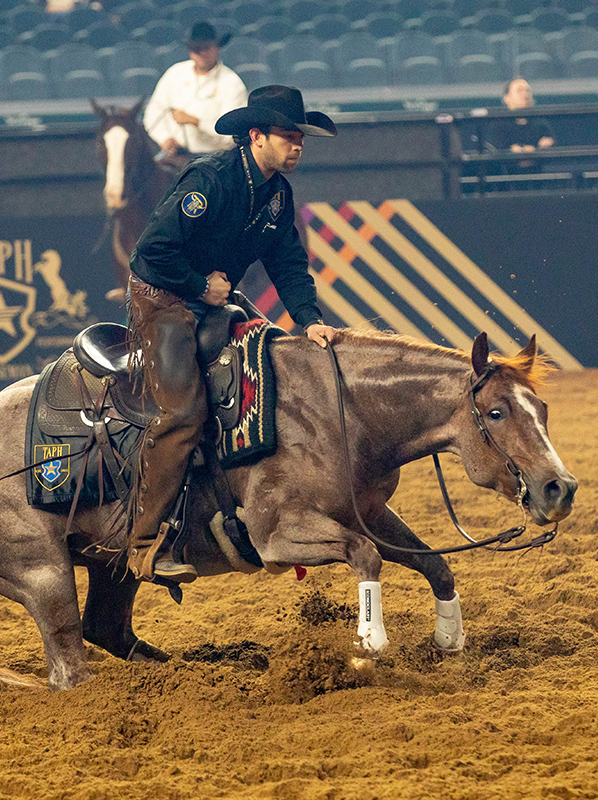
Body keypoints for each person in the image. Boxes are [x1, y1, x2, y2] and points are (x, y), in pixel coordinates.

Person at [124, 85, 338, 582]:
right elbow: (149, 253)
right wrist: (199, 285)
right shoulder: (210, 180)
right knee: (181, 413)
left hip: (212, 300)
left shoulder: (277, 195)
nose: (298, 144)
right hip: (163, 300)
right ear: (256, 136)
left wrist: (309, 320)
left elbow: (288, 263)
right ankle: (144, 544)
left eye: (300, 137)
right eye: (288, 136)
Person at [143, 22, 248, 161]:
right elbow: (153, 113)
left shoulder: (232, 83)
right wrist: (165, 138)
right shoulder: (174, 73)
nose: (201, 53)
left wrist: (196, 121)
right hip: (175, 155)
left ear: (217, 47)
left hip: (217, 159)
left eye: (206, 48)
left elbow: (233, 134)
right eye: (195, 49)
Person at [486, 77, 555, 175]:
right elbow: (496, 153)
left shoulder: (541, 122)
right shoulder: (498, 124)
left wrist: (523, 151)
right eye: (519, 91)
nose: (525, 95)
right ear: (507, 98)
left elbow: (549, 149)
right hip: (506, 180)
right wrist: (531, 151)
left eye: (527, 91)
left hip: (538, 178)